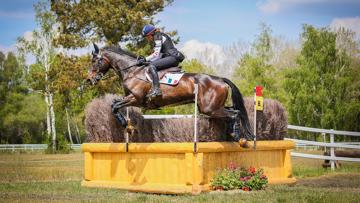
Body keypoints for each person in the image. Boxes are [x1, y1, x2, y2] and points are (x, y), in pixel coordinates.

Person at [137, 24, 185, 98]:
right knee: (151, 64)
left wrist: (145, 59)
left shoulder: (157, 37)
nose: (147, 39)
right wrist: (146, 62)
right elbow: (159, 56)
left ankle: (157, 89)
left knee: (152, 66)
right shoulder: (158, 36)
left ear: (151, 34)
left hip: (172, 57)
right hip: (170, 57)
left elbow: (156, 54)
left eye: (147, 36)